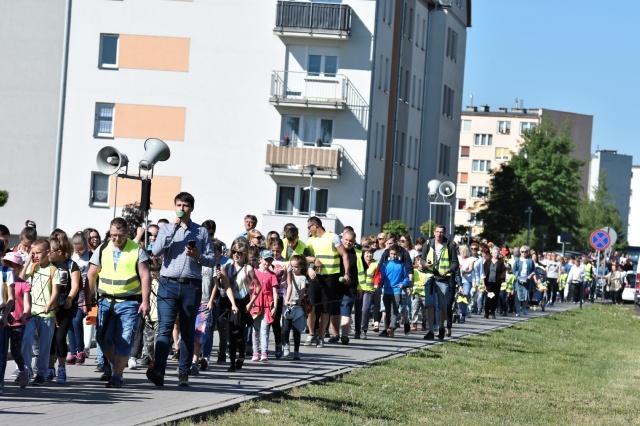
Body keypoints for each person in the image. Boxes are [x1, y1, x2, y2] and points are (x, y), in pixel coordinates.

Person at [147, 192, 215, 387]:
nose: (181, 209)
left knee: (186, 330)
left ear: (191, 208)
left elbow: (211, 260)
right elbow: (156, 251)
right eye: (178, 205)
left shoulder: (200, 232)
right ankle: (158, 370)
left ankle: (183, 371)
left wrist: (198, 256)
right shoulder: (167, 228)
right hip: (168, 283)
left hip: (191, 285)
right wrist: (173, 229)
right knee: (165, 327)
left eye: (185, 205)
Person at [87, 217, 151, 388]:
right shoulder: (102, 249)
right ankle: (116, 363)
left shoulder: (137, 250)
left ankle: (117, 376)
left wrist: (145, 301)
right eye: (113, 235)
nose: (116, 239)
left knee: (124, 340)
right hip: (105, 301)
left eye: (120, 235)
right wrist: (87, 297)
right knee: (102, 339)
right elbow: (91, 274)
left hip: (129, 302)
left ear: (127, 233)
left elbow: (145, 276)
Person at [304, 216, 351, 348]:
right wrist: (312, 262)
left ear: (315, 226)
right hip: (315, 277)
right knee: (311, 307)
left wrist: (346, 273)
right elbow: (303, 257)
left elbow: (344, 255)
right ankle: (312, 334)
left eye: (309, 227)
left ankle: (321, 336)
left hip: (330, 277)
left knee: (325, 309)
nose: (308, 230)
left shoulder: (333, 237)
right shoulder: (310, 241)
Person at [20, 238, 60, 385]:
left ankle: (41, 373)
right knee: (26, 340)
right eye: (33, 253)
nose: (35, 255)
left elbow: (55, 291)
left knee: (44, 345)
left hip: (46, 314)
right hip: (31, 312)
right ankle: (25, 369)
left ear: (48, 252)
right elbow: (21, 278)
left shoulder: (53, 270)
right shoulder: (33, 267)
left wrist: (49, 304)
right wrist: (28, 262)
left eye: (38, 253)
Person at [47, 233, 82, 384]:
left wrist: (69, 298)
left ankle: (62, 368)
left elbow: (75, 285)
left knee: (60, 338)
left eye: (50, 250)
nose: (47, 253)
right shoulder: (48, 265)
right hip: (49, 307)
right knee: (49, 339)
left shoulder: (71, 265)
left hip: (65, 306)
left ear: (59, 252)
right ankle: (49, 368)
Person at [421, 225, 459, 340]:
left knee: (442, 306)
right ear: (434, 232)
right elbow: (422, 259)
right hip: (430, 277)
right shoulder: (428, 244)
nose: (439, 234)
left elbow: (455, 263)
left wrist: (448, 270)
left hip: (443, 279)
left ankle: (441, 327)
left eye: (441, 232)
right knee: (429, 305)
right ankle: (431, 330)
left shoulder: (450, 246)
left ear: (445, 233)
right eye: (437, 232)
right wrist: (424, 264)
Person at [1, 251, 32, 392]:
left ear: (19, 267)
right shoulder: (4, 281)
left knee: (15, 351)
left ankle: (23, 370)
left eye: (13, 266)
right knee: (2, 352)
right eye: (7, 264)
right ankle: (1, 378)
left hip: (18, 323)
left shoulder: (24, 284)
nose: (10, 268)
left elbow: (27, 305)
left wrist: (25, 315)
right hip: (4, 321)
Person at [226, 238, 258, 372]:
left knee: (239, 333)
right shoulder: (228, 267)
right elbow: (224, 285)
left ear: (244, 254)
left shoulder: (248, 268)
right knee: (232, 332)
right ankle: (232, 363)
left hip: (244, 302)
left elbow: (258, 287)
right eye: (234, 252)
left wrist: (251, 303)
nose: (236, 255)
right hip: (232, 302)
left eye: (239, 252)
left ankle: (241, 356)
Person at [338, 230, 364, 344]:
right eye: (346, 240)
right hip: (334, 285)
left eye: (351, 241)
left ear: (354, 241)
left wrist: (360, 288)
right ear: (342, 239)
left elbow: (362, 272)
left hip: (351, 287)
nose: (348, 243)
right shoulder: (336, 251)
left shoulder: (358, 253)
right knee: (333, 311)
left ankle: (344, 335)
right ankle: (333, 334)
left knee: (346, 311)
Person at [251, 249, 278, 361]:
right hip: (256, 304)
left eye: (270, 260)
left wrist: (275, 307)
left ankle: (264, 352)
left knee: (264, 328)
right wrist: (250, 303)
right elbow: (250, 289)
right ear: (260, 259)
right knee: (255, 329)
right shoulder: (254, 272)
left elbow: (275, 292)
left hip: (267, 304)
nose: (267, 262)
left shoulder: (272, 275)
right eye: (266, 260)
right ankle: (255, 352)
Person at [379, 245, 409, 338]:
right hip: (387, 290)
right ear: (389, 254)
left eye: (395, 254)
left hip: (397, 291)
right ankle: (388, 328)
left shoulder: (402, 265)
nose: (393, 256)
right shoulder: (385, 264)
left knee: (394, 310)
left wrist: (403, 284)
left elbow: (406, 277)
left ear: (399, 254)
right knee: (387, 311)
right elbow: (381, 277)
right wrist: (379, 287)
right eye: (391, 254)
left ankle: (391, 328)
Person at [282, 254, 308, 359]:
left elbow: (302, 290)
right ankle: (286, 344)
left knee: (297, 331)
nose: (293, 269)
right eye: (291, 266)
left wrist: (299, 300)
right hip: (287, 306)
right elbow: (286, 285)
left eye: (296, 266)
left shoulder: (302, 278)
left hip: (298, 308)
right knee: (285, 329)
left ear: (301, 266)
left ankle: (296, 351)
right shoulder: (288, 274)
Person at [358, 245, 378, 339]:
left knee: (365, 309)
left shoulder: (375, 264)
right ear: (363, 254)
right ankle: (356, 329)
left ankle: (363, 330)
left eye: (371, 253)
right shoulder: (359, 262)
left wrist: (376, 283)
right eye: (367, 253)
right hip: (359, 289)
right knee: (357, 310)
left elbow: (378, 275)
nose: (369, 255)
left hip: (369, 290)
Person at [483, 247, 506, 319]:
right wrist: (483, 281)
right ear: (492, 253)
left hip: (496, 283)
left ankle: (493, 312)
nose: (496, 254)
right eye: (495, 253)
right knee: (488, 297)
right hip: (488, 282)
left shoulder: (501, 262)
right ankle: (486, 312)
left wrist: (501, 279)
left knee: (495, 298)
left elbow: (503, 272)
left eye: (497, 253)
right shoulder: (487, 261)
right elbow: (484, 271)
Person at [512, 246, 535, 316]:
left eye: (525, 252)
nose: (524, 253)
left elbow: (534, 270)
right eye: (522, 252)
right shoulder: (518, 261)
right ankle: (518, 310)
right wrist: (517, 276)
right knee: (517, 296)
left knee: (526, 295)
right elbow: (514, 270)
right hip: (518, 280)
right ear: (520, 252)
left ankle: (524, 308)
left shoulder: (530, 261)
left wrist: (530, 275)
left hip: (527, 280)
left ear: (528, 252)